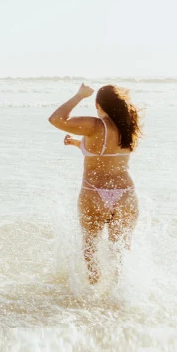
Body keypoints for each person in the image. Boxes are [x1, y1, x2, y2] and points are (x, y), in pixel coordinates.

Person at [48, 83, 141, 284]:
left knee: (91, 247)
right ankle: (120, 297)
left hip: (94, 192)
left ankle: (92, 295)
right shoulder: (128, 128)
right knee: (121, 251)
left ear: (98, 104)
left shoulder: (95, 126)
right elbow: (107, 153)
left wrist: (79, 95)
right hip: (126, 193)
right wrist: (76, 143)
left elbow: (56, 119)